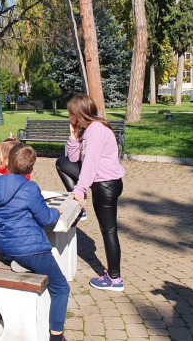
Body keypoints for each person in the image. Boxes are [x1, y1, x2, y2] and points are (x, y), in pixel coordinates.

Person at [0, 143, 70, 341]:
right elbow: (46, 219)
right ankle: (56, 337)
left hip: (5, 245)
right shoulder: (30, 188)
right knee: (61, 288)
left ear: (7, 161)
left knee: (27, 259)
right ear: (31, 168)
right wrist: (56, 211)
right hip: (31, 249)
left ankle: (19, 263)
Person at [55, 93, 126, 292]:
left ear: (77, 113)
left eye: (70, 113)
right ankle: (81, 208)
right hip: (105, 183)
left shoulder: (96, 130)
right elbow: (74, 159)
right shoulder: (89, 129)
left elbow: (90, 165)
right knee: (61, 162)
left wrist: (79, 190)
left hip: (105, 185)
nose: (68, 116)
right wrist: (73, 135)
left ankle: (114, 279)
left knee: (109, 231)